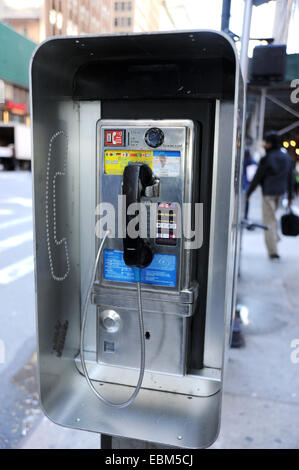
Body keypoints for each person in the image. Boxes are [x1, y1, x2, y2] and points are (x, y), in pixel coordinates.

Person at [246, 131, 294, 260]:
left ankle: (273, 251)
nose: (264, 144)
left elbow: (257, 177)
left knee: (269, 222)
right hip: (280, 193)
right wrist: (290, 197)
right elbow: (291, 177)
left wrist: (249, 193)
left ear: (270, 143)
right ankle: (275, 238)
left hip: (268, 193)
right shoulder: (286, 157)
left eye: (266, 142)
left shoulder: (267, 158)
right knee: (272, 219)